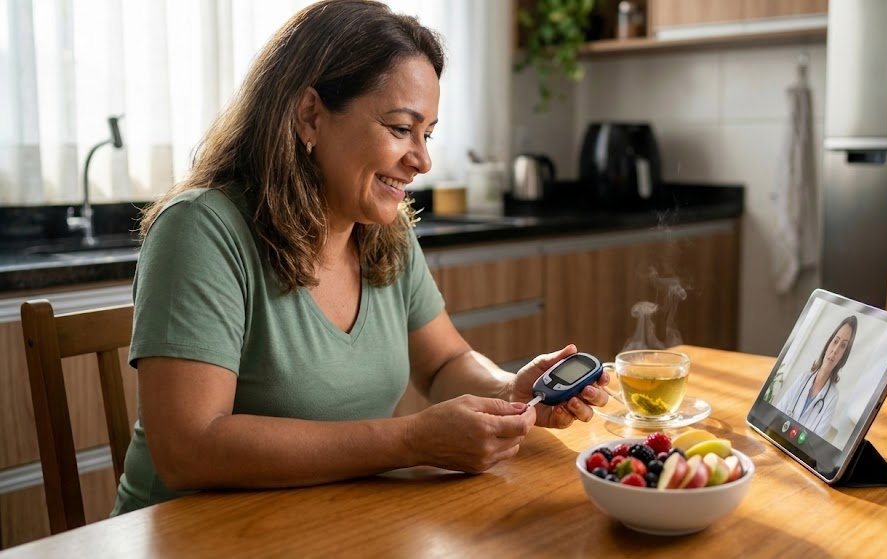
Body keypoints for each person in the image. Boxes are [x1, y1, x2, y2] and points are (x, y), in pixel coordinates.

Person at [113, 0, 608, 515]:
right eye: (400, 129)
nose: (422, 160)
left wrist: (509, 389)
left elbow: (444, 363)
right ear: (310, 116)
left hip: (334, 526)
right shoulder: (200, 229)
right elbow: (188, 449)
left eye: (428, 133)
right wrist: (410, 441)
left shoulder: (383, 231)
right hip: (193, 537)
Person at [774, 315, 858, 436]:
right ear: (828, 344)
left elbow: (817, 440)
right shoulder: (803, 378)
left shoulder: (832, 396)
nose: (835, 350)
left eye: (843, 346)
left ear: (843, 356)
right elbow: (777, 413)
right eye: (835, 341)